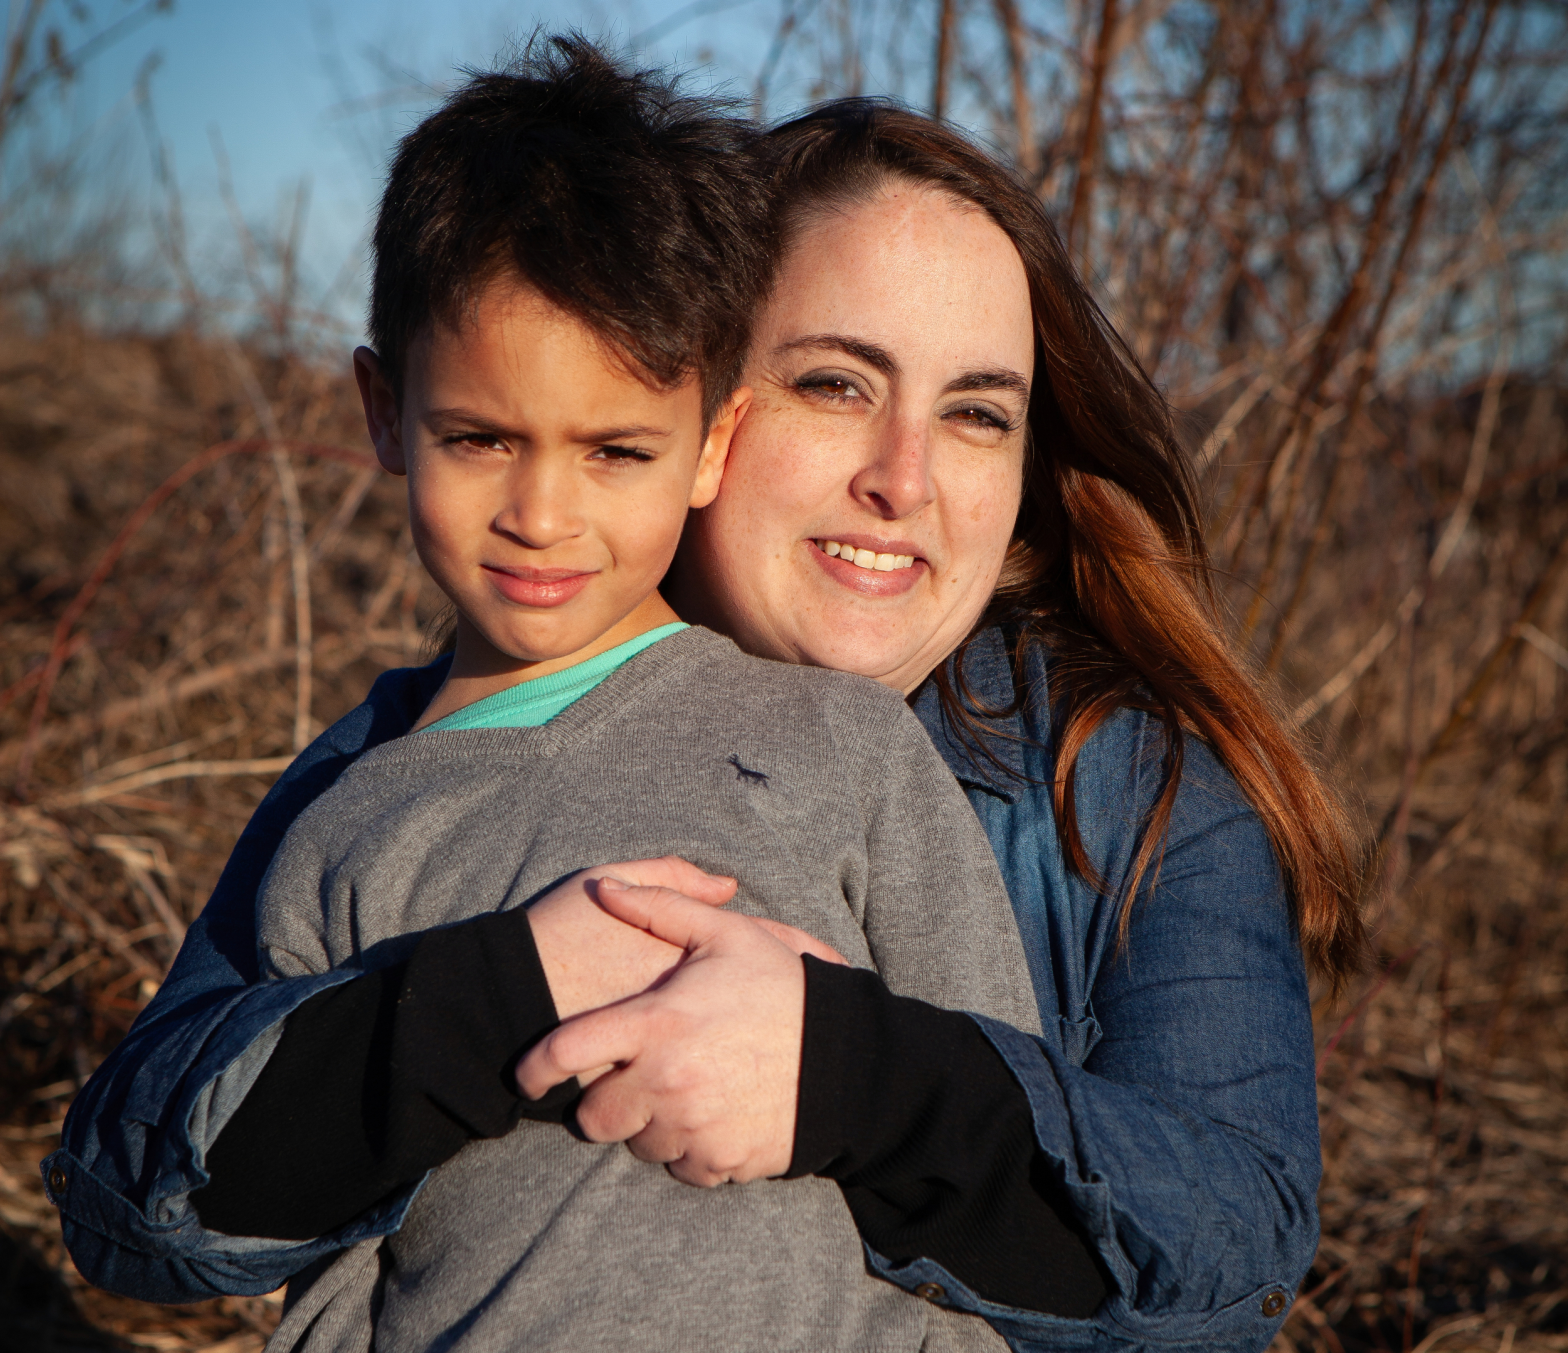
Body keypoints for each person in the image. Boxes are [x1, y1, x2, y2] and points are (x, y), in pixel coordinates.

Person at [44, 87, 1362, 1353]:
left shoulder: (1124, 788)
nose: (902, 479)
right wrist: (482, 998)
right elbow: (132, 1200)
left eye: (975, 414)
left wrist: (845, 1074)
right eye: (837, 384)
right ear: (705, 409)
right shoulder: (410, 765)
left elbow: (1233, 1261)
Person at [222, 40, 1080, 1351]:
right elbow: (249, 1224)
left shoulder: (848, 750)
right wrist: (495, 995)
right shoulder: (345, 824)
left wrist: (831, 1069)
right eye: (479, 438)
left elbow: (1022, 1187)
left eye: (617, 449)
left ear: (709, 446)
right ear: (383, 415)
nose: (542, 513)